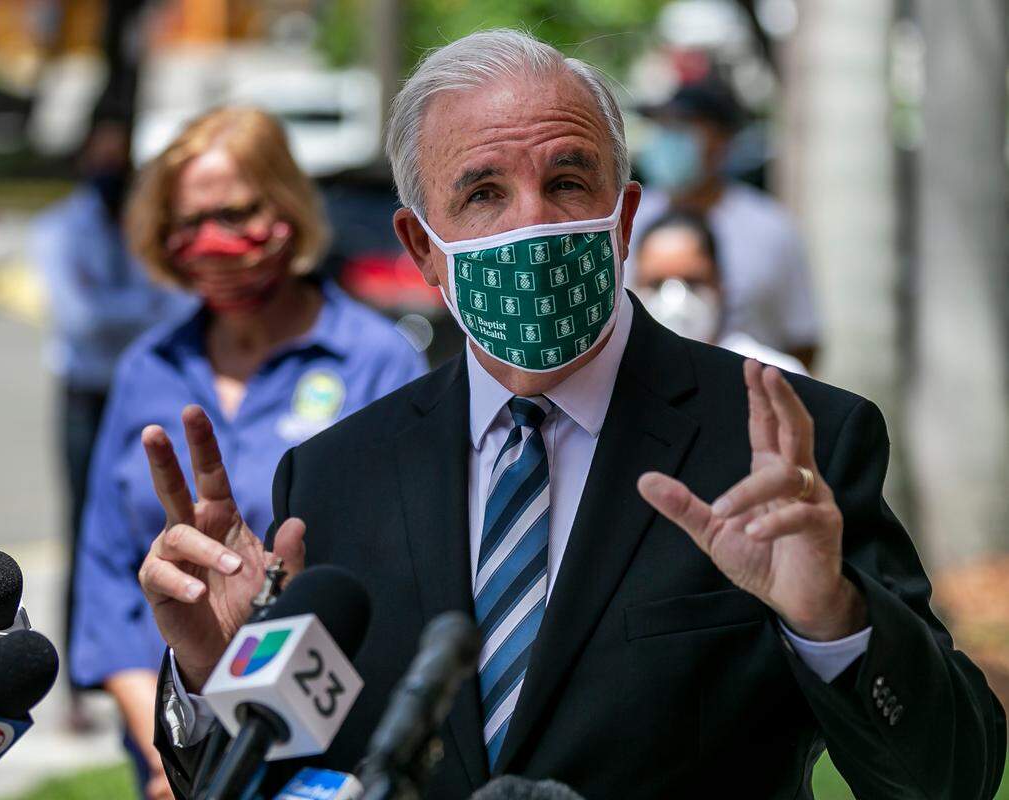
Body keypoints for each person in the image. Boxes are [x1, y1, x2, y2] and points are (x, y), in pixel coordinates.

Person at [142, 31, 1004, 800]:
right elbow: (294, 779)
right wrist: (218, 679)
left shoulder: (782, 447)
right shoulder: (335, 478)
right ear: (420, 248)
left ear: (624, 217)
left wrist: (834, 622)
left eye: (567, 180)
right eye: (482, 192)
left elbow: (950, 778)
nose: (535, 223)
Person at [68, 106, 427, 799]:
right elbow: (106, 571)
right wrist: (164, 750)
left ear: (286, 208)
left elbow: (408, 570)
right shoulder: (148, 368)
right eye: (187, 224)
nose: (212, 242)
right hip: (173, 741)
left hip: (328, 750)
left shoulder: (376, 363)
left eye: (235, 215)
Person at [32, 114, 192, 730]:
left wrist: (135, 310)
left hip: (139, 392)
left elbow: (170, 304)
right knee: (84, 530)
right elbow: (83, 320)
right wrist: (143, 310)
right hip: (84, 395)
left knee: (148, 525)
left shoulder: (140, 228)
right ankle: (78, 683)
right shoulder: (59, 229)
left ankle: (152, 670)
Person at [626, 77, 820, 368]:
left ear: (722, 141)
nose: (668, 138)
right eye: (663, 127)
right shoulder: (628, 217)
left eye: (682, 127)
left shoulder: (771, 229)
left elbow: (803, 339)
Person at [633, 209, 807, 375]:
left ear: (719, 284)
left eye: (692, 282)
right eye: (655, 284)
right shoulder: (618, 374)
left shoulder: (773, 374)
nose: (674, 299)